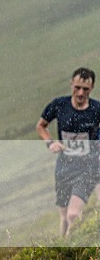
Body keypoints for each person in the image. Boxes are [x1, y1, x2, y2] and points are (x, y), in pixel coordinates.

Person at [36, 67, 100, 236]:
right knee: (64, 217)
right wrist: (50, 143)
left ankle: (77, 250)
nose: (80, 93)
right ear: (71, 84)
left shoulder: (96, 109)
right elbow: (41, 126)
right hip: (64, 168)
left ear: (91, 88)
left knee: (73, 214)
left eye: (85, 89)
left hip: (88, 168)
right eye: (77, 87)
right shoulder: (59, 105)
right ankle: (63, 248)